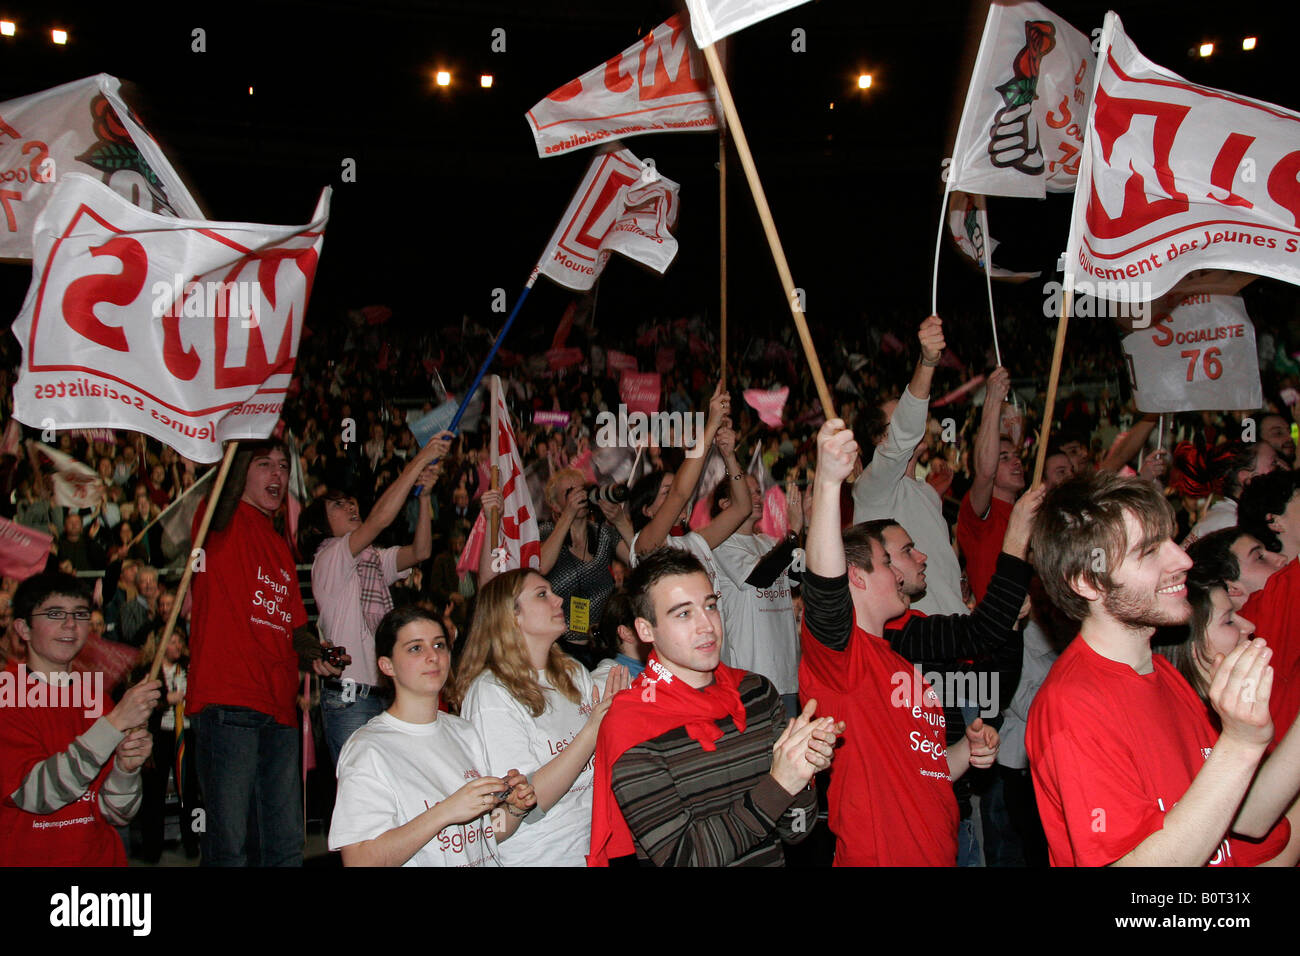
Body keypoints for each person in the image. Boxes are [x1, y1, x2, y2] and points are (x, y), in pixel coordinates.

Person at [1026, 471, 1300, 866]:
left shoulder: (1161, 673)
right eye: (1150, 551)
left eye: (1171, 540)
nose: (1184, 559)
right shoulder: (1073, 706)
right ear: (1088, 582)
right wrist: (1239, 745)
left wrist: (1247, 744)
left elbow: (1248, 819)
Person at [800, 418, 999, 866]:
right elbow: (824, 593)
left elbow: (928, 770)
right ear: (856, 576)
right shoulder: (842, 660)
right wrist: (829, 482)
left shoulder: (901, 665)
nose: (898, 573)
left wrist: (969, 749)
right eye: (887, 562)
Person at [588, 547, 839, 867]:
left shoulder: (757, 694)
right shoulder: (630, 725)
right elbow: (685, 858)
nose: (706, 625)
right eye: (683, 613)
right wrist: (779, 784)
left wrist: (804, 773)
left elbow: (796, 832)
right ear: (645, 630)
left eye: (710, 606)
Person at [187, 439, 342, 867]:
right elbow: (223, 487)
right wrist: (250, 427)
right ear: (240, 469)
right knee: (228, 848)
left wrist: (319, 654)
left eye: (283, 465)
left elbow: (294, 629)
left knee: (285, 845)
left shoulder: (279, 546)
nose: (277, 474)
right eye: (263, 464)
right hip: (227, 703)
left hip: (278, 711)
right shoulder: (217, 519)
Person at [328, 606, 537, 866]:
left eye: (439, 645)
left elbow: (477, 836)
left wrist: (515, 809)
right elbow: (360, 860)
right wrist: (445, 811)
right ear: (387, 665)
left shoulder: (464, 731)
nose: (433, 657)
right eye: (416, 648)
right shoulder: (368, 749)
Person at [451, 569, 629, 866]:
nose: (559, 599)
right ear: (511, 616)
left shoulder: (571, 672)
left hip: (595, 845)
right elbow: (525, 802)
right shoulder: (491, 693)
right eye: (542, 594)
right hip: (542, 854)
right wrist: (594, 729)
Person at [300, 430, 451, 763]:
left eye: (350, 501)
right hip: (351, 699)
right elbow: (380, 519)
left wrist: (424, 499)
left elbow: (421, 550)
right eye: (338, 506)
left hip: (385, 693)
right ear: (319, 526)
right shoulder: (330, 557)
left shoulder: (370, 558)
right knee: (361, 793)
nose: (351, 505)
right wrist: (420, 459)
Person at [0, 572, 160, 865]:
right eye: (54, 613)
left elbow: (117, 812)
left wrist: (126, 771)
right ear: (23, 628)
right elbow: (38, 795)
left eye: (80, 614)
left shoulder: (98, 699)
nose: (70, 624)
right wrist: (112, 726)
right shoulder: (6, 694)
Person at [851, 315, 967, 616]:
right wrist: (927, 362)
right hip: (919, 639)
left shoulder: (926, 493)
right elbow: (905, 435)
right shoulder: (873, 490)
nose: (915, 424)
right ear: (880, 441)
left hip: (958, 631)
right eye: (900, 420)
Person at [710, 472, 802, 717]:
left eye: (758, 491)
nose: (757, 497)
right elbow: (759, 577)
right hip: (751, 675)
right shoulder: (720, 544)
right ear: (725, 504)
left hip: (787, 673)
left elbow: (800, 576)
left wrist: (806, 529)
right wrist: (792, 534)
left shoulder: (770, 541)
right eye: (748, 492)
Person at [956, 367, 1023, 604]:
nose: (1016, 461)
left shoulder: (1025, 512)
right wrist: (993, 401)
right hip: (999, 631)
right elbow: (985, 471)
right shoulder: (979, 514)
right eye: (1004, 458)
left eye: (1016, 456)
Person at [135, 628, 199, 862]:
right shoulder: (149, 671)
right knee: (154, 793)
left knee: (189, 792)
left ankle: (193, 843)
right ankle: (152, 849)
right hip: (159, 736)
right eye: (172, 641)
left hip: (186, 734)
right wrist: (165, 701)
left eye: (179, 641)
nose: (177, 645)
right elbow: (140, 701)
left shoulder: (189, 667)